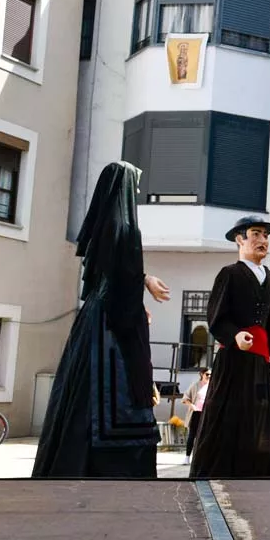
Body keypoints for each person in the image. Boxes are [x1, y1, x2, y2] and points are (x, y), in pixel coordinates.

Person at [32, 162, 169, 478]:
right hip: (111, 331)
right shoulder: (126, 228)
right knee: (114, 400)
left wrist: (140, 287)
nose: (136, 194)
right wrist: (143, 285)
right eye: (134, 188)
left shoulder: (102, 230)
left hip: (92, 323)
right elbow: (124, 279)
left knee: (80, 403)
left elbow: (103, 279)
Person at [190, 216, 270, 478]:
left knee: (260, 414)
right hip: (233, 360)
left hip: (259, 361)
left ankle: (259, 471)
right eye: (256, 234)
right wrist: (235, 335)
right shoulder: (229, 274)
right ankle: (219, 469)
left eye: (266, 236)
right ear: (240, 239)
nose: (263, 240)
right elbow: (215, 317)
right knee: (229, 412)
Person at [181, 368, 212, 464]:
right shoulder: (195, 385)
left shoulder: (212, 386)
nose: (209, 376)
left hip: (206, 414)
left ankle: (201, 458)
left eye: (211, 374)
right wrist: (192, 406)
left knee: (205, 435)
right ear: (202, 374)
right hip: (196, 413)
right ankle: (187, 457)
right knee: (192, 435)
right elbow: (185, 398)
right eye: (207, 374)